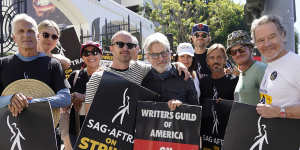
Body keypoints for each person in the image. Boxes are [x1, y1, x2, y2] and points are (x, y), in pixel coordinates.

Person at [85, 31, 190, 113]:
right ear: (111, 48)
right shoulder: (98, 77)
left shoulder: (141, 69)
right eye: (120, 44)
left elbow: (160, 64)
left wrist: (178, 64)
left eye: (129, 45)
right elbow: (89, 117)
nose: (125, 48)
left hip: (137, 137)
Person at [0, 14, 70, 116]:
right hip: (8, 129)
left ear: (37, 36)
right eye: (21, 31)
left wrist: (32, 102)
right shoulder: (3, 64)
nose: (26, 35)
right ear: (14, 38)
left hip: (45, 129)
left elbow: (66, 98)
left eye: (30, 31)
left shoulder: (53, 64)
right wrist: (10, 99)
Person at [251, 15, 300, 119]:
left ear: (283, 35)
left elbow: (275, 111)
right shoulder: (270, 66)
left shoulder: (296, 63)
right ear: (256, 44)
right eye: (261, 40)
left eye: (272, 37)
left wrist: (280, 112)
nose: (267, 44)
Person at [60, 41, 103, 149]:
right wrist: (71, 97)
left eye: (94, 52)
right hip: (76, 130)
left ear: (100, 54)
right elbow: (64, 101)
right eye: (86, 53)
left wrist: (84, 98)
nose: (91, 56)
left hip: (101, 132)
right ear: (82, 57)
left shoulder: (108, 77)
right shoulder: (75, 76)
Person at [142, 33, 198, 111]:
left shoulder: (185, 76)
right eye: (155, 55)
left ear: (170, 53)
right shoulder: (143, 80)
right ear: (147, 57)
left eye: (164, 53)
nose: (161, 59)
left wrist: (182, 106)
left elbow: (196, 109)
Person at [226, 30, 267, 105]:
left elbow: (271, 104)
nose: (238, 54)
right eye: (233, 52)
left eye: (241, 50)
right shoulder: (242, 73)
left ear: (250, 48)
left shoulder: (261, 69)